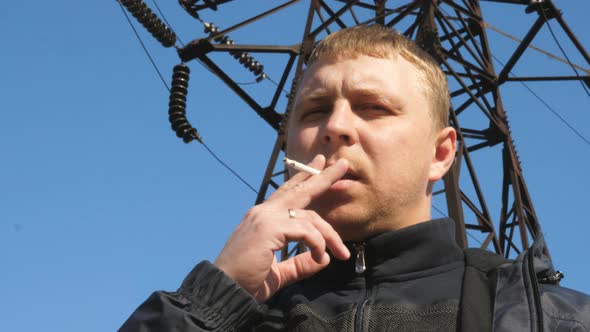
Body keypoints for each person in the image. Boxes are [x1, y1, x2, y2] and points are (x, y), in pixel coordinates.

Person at [120, 25, 590, 331]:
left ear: (441, 152)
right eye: (315, 111)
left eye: (373, 108)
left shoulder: (548, 317)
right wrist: (214, 297)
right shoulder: (235, 318)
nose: (335, 127)